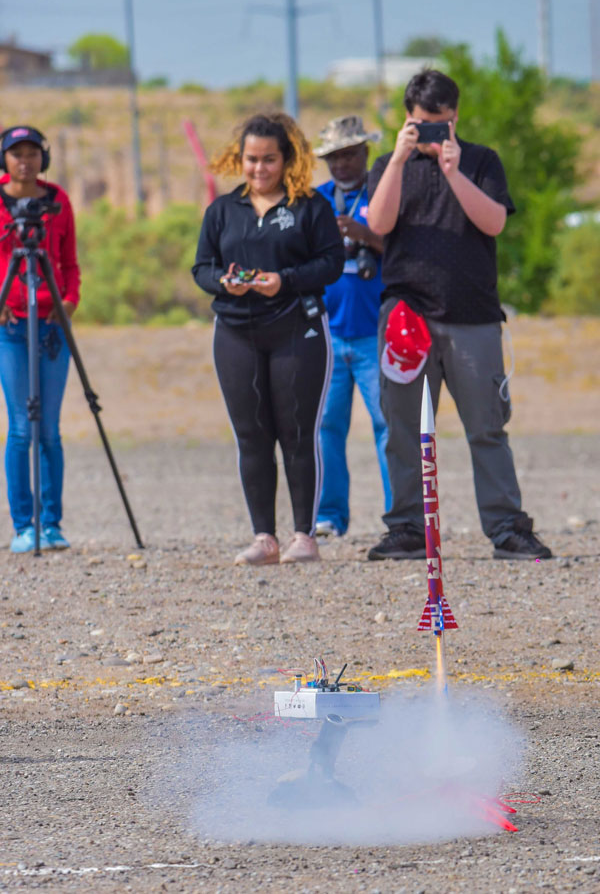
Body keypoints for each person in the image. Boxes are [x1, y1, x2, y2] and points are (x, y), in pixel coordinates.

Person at [366, 70, 552, 561]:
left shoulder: (482, 160)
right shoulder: (390, 164)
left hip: (472, 318)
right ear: (406, 118)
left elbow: (493, 222)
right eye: (419, 124)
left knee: (487, 426)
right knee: (403, 427)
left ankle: (507, 527)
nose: (429, 133)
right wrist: (402, 157)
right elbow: (378, 223)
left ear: (455, 117)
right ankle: (406, 527)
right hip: (407, 319)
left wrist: (453, 171)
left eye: (438, 124)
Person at [192, 113, 344, 565]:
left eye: (269, 160)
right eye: (251, 160)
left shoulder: (310, 206)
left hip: (298, 327)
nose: (259, 169)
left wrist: (285, 280)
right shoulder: (222, 211)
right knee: (251, 436)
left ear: (287, 159)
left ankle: (304, 537)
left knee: (297, 433)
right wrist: (225, 282)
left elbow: (331, 263)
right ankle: (264, 538)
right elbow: (201, 268)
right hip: (236, 332)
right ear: (239, 159)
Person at [0, 125, 80, 553]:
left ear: (42, 159)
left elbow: (69, 262)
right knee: (20, 429)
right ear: (5, 160)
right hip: (10, 326)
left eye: (32, 153)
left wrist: (69, 301)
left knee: (49, 428)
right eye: (16, 154)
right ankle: (22, 525)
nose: (24, 161)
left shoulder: (58, 201)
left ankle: (51, 523)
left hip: (53, 325)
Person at [312, 116, 391, 538]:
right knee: (325, 427)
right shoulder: (315, 201)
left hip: (375, 333)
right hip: (326, 333)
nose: (342, 164)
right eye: (334, 157)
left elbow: (406, 249)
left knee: (388, 426)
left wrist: (367, 235)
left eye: (350, 154)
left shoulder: (382, 196)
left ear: (366, 154)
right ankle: (328, 515)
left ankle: (401, 518)